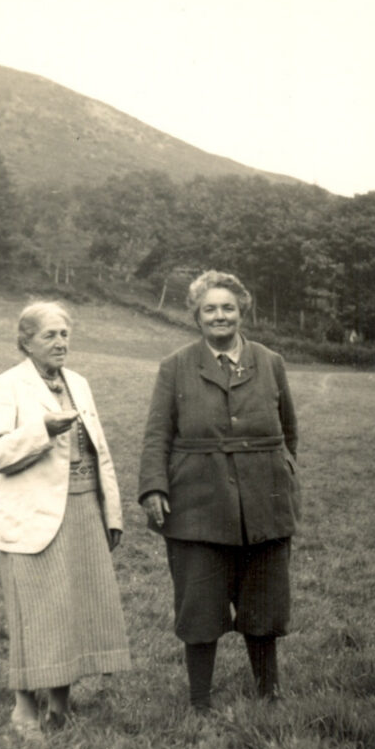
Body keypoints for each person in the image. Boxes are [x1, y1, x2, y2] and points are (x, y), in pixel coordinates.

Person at [138, 270, 300, 712]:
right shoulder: (175, 367)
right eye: (209, 308)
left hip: (264, 504)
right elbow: (157, 434)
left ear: (241, 311)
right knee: (200, 604)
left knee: (265, 601)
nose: (219, 315)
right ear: (196, 316)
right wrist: (153, 486)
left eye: (228, 307)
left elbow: (289, 432)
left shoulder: (270, 362)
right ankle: (200, 701)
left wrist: (280, 475)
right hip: (197, 505)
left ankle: (269, 692)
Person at [0, 300, 131, 740]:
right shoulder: (5, 386)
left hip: (84, 508)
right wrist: (41, 430)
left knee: (74, 608)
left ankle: (60, 705)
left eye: (65, 334)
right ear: (26, 341)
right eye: (50, 335)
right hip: (33, 516)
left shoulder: (78, 383)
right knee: (36, 612)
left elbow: (98, 451)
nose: (61, 342)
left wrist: (111, 512)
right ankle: (24, 710)